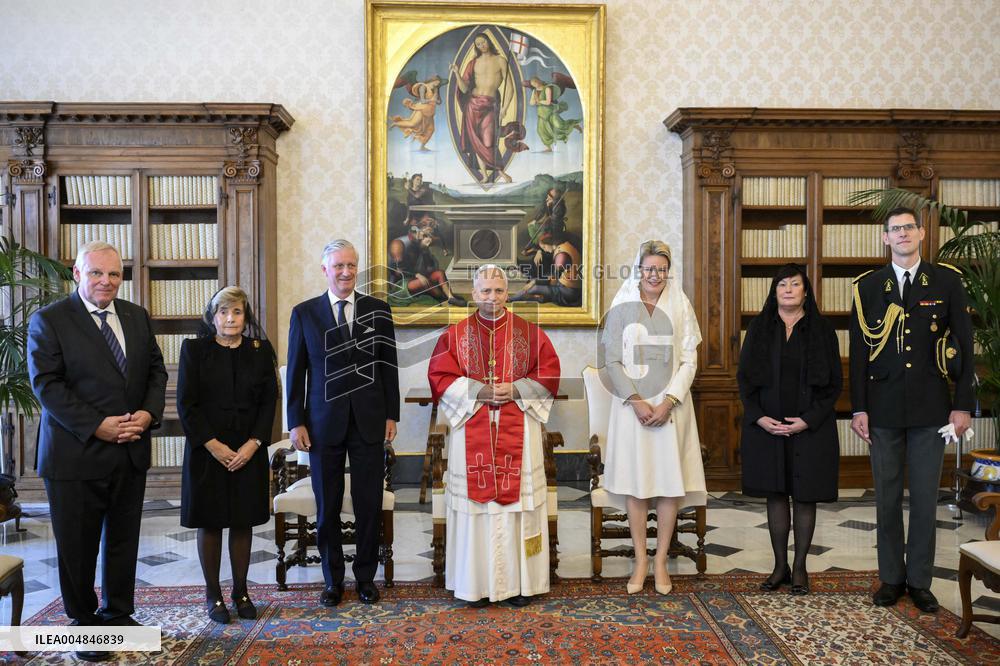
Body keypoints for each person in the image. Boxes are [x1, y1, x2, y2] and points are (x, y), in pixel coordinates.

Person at [27, 241, 167, 662]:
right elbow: (47, 385)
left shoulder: (136, 316)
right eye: (96, 273)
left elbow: (156, 371)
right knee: (78, 547)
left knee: (123, 541)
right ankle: (85, 624)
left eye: (114, 274)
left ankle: (119, 615)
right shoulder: (50, 320)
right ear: (77, 274)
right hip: (75, 454)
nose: (106, 281)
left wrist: (148, 414)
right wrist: (96, 425)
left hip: (130, 450)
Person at [850, 206, 974, 613]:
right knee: (886, 499)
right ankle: (891, 578)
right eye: (895, 229)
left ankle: (920, 581)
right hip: (882, 408)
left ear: (921, 233)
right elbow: (858, 353)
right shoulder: (868, 287)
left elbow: (964, 345)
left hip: (931, 409)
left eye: (909, 227)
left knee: (924, 500)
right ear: (885, 238)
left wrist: (963, 406)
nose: (902, 234)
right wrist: (859, 408)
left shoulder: (946, 281)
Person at [427, 264, 561, 607]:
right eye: (485, 291)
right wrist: (478, 391)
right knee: (477, 508)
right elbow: (440, 377)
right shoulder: (455, 336)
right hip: (473, 428)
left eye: (499, 291)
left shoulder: (530, 334)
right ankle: (475, 585)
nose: (492, 298)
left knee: (519, 508)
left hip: (519, 430)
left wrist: (516, 389)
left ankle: (521, 585)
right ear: (474, 293)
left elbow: (549, 374)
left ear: (507, 293)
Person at [286, 239, 400, 607]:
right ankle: (332, 580)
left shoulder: (378, 310)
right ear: (325, 270)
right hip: (322, 424)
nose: (346, 272)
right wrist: (295, 422)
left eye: (351, 265)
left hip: (369, 420)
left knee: (368, 505)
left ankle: (365, 577)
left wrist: (391, 414)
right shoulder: (305, 314)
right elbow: (296, 374)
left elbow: (388, 367)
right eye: (338, 266)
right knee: (328, 506)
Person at [600, 240, 706, 595]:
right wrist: (636, 401)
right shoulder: (623, 303)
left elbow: (689, 360)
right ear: (639, 269)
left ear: (668, 272)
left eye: (661, 269)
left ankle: (660, 560)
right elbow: (612, 360)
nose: (655, 275)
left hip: (670, 406)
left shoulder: (680, 303)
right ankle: (640, 560)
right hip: (633, 407)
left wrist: (668, 401)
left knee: (667, 483)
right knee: (637, 482)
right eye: (649, 268)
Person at [738, 264, 841, 596]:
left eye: (795, 284)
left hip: (811, 428)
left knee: (805, 495)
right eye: (781, 284)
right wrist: (759, 417)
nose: (787, 289)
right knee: (776, 493)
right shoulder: (759, 327)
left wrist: (807, 420)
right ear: (774, 291)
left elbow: (834, 385)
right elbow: (744, 380)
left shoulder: (822, 330)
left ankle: (800, 568)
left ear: (805, 292)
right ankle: (780, 566)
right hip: (767, 427)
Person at [177, 286, 278, 624]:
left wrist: (253, 443)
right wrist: (213, 445)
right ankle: (213, 594)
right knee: (210, 521)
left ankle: (241, 591)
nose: (231, 318)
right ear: (213, 317)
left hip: (249, 450)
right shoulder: (194, 350)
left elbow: (269, 402)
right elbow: (186, 404)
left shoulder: (260, 351)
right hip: (207, 451)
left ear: (246, 317)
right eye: (224, 312)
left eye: (237, 312)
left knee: (242, 520)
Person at [449, 33, 514, 184]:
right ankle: (484, 175)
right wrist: (457, 73)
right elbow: (464, 89)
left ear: (488, 41)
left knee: (488, 141)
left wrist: (505, 108)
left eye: (483, 42)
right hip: (472, 105)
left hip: (490, 105)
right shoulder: (473, 63)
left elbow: (510, 87)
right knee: (476, 141)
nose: (481, 46)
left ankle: (501, 172)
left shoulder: (500, 61)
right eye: (478, 44)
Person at [525, 75, 582, 151]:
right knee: (541, 131)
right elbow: (531, 103)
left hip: (550, 111)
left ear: (538, 80)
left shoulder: (547, 89)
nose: (535, 85)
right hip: (541, 113)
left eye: (535, 82)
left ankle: (574, 125)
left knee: (559, 125)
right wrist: (535, 101)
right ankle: (549, 147)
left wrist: (539, 101)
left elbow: (548, 102)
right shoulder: (534, 91)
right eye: (533, 84)